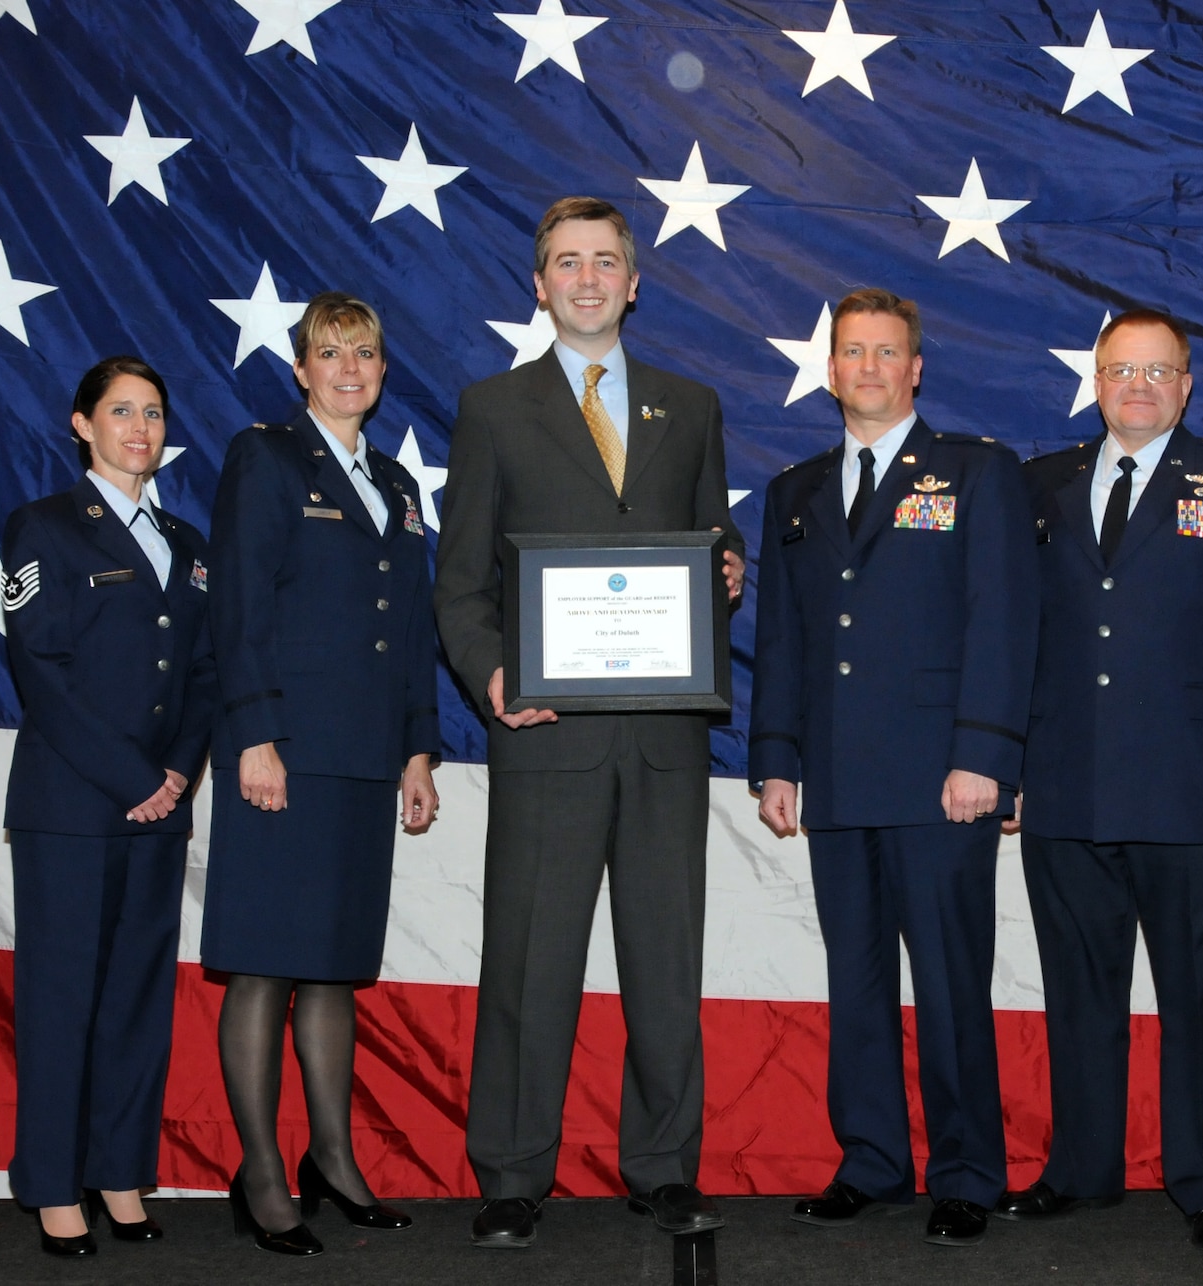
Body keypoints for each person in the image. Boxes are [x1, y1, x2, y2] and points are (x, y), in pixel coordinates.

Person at [434, 197, 745, 1247]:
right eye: (565, 262)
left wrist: (727, 568)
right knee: (527, 958)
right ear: (538, 283)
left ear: (632, 280)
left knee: (665, 958)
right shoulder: (491, 407)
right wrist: (492, 672)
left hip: (663, 738)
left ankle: (662, 1165)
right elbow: (460, 583)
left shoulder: (688, 404)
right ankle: (512, 1170)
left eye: (604, 260)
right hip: (545, 730)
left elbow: (713, 540)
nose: (585, 277)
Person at [998, 309, 1203, 1253]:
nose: (1137, 386)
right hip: (1066, 786)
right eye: (1120, 369)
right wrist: (1006, 760)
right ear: (1096, 381)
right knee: (1078, 994)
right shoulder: (1039, 484)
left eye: (1158, 371)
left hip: (1202, 790)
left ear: (1186, 386)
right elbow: (1009, 636)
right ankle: (1082, 1168)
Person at [749, 288, 1037, 1248]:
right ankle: (872, 1159)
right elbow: (784, 640)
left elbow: (1002, 621)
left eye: (887, 353)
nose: (869, 368)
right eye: (853, 352)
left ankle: (966, 1171)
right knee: (857, 977)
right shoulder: (793, 491)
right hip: (833, 776)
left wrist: (984, 755)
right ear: (830, 369)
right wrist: (775, 761)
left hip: (939, 778)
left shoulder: (975, 472)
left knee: (954, 981)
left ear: (917, 369)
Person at [203, 292, 440, 1256]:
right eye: (329, 352)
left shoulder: (398, 483)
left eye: (366, 353)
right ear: (300, 369)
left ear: (384, 371)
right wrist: (254, 736)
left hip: (363, 760)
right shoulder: (264, 457)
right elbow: (240, 608)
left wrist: (419, 747)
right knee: (263, 965)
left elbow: (411, 632)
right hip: (284, 755)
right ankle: (260, 1173)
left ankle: (332, 1160)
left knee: (336, 968)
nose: (349, 368)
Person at [0, 356, 216, 1257]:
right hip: (73, 806)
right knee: (61, 998)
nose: (140, 428)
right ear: (82, 424)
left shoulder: (191, 545)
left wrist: (175, 773)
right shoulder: (43, 527)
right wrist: (137, 779)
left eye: (154, 413)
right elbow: (40, 676)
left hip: (161, 805)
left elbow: (203, 676)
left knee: (135, 999)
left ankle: (120, 1173)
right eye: (121, 411)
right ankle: (53, 1185)